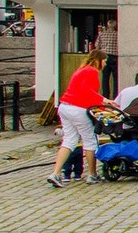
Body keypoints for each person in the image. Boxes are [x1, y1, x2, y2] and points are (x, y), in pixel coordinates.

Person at [47, 49, 108, 187]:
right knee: (90, 140)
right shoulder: (92, 71)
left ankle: (56, 173)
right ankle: (92, 174)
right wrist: (104, 101)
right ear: (98, 60)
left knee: (69, 140)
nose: (104, 64)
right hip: (78, 109)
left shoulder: (81, 70)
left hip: (65, 106)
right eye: (104, 61)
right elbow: (88, 91)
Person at [95, 18, 119, 98]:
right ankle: (115, 96)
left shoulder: (102, 34)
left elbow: (97, 45)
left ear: (107, 25)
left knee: (105, 78)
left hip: (104, 57)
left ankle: (105, 96)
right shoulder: (117, 34)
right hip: (114, 57)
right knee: (116, 79)